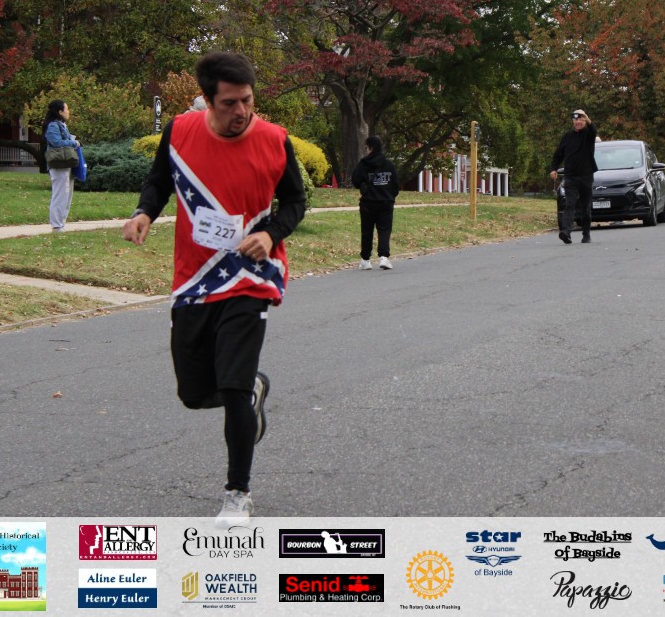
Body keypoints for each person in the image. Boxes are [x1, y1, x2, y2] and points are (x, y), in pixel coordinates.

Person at [122, 51, 306, 526]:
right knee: (194, 391)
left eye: (247, 100)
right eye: (229, 103)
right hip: (195, 278)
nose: (241, 111)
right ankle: (251, 390)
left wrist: (271, 234)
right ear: (207, 100)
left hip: (251, 276)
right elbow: (159, 180)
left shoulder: (274, 140)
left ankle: (237, 493)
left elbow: (295, 200)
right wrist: (144, 212)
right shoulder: (180, 132)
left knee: (233, 384)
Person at [549, 109, 598, 244]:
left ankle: (586, 234)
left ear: (585, 120)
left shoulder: (588, 134)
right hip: (570, 176)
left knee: (585, 207)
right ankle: (566, 232)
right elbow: (558, 155)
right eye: (576, 119)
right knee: (569, 204)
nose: (578, 122)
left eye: (581, 119)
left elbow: (594, 130)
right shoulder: (567, 137)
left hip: (586, 176)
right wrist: (553, 169)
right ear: (573, 121)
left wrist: (587, 118)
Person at [351, 135, 399, 270]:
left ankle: (365, 260)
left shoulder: (363, 164)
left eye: (367, 147)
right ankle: (384, 257)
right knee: (384, 230)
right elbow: (395, 185)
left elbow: (355, 180)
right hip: (385, 202)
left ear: (370, 148)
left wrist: (364, 186)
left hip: (368, 202)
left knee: (367, 231)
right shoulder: (389, 165)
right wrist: (390, 196)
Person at [42, 100, 80, 232]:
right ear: (60, 112)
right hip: (58, 164)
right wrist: (74, 143)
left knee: (66, 195)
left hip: (66, 163)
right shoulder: (53, 125)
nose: (68, 112)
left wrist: (71, 140)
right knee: (60, 195)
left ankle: (61, 224)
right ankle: (57, 225)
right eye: (66, 109)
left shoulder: (61, 124)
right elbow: (56, 143)